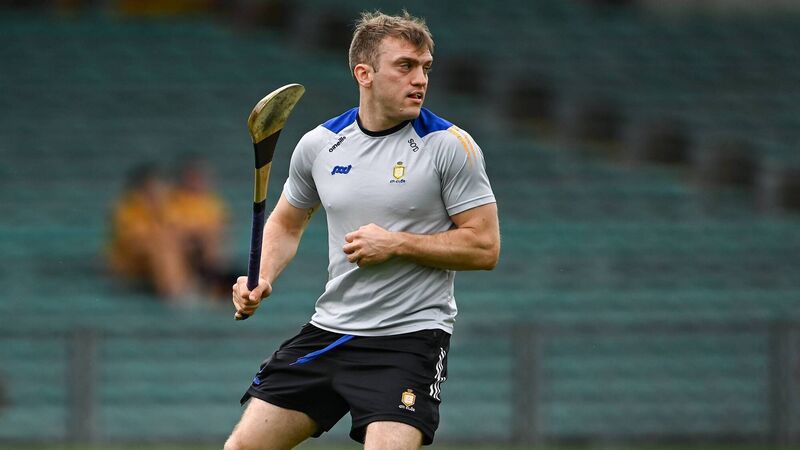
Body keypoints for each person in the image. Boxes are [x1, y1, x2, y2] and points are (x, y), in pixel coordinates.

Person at [227, 10, 500, 450]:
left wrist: (397, 244)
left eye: (425, 67)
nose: (420, 80)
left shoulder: (450, 146)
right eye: (405, 66)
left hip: (408, 340)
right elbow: (286, 223)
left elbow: (485, 247)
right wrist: (262, 277)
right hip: (330, 332)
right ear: (364, 73)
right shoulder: (320, 144)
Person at [106, 161, 230, 302]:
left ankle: (211, 279)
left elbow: (182, 229)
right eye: (152, 189)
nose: (156, 193)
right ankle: (179, 294)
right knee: (163, 248)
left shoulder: (169, 206)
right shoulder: (128, 210)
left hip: (161, 261)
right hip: (132, 265)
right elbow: (137, 242)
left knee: (204, 237)